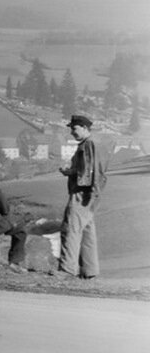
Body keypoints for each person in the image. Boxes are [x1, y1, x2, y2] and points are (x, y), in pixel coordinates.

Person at [56, 114, 108, 279]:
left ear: (85, 128)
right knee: (87, 232)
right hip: (92, 194)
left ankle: (67, 270)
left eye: (74, 128)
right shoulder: (96, 143)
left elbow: (86, 172)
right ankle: (89, 271)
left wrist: (68, 172)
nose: (72, 132)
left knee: (71, 229)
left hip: (82, 192)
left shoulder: (87, 145)